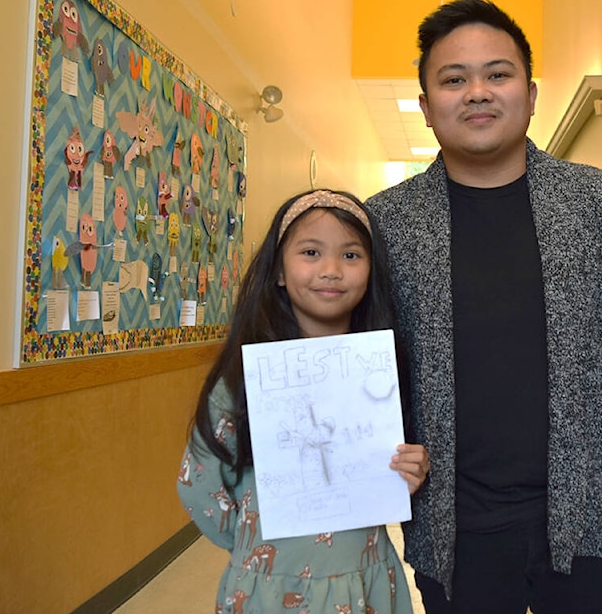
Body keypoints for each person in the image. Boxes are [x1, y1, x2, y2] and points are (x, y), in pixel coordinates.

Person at [365, 0, 602, 614]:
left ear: (531, 94)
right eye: (453, 80)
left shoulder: (599, 203)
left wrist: (579, 381)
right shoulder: (387, 224)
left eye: (498, 74)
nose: (477, 91)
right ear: (427, 108)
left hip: (596, 513)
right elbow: (366, 348)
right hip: (455, 525)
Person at [177, 189, 429, 613]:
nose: (331, 270)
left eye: (351, 256)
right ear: (278, 270)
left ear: (370, 273)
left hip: (365, 581)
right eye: (311, 252)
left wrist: (409, 472)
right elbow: (198, 485)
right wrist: (256, 541)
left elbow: (386, 465)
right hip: (268, 589)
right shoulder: (240, 381)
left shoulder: (380, 377)